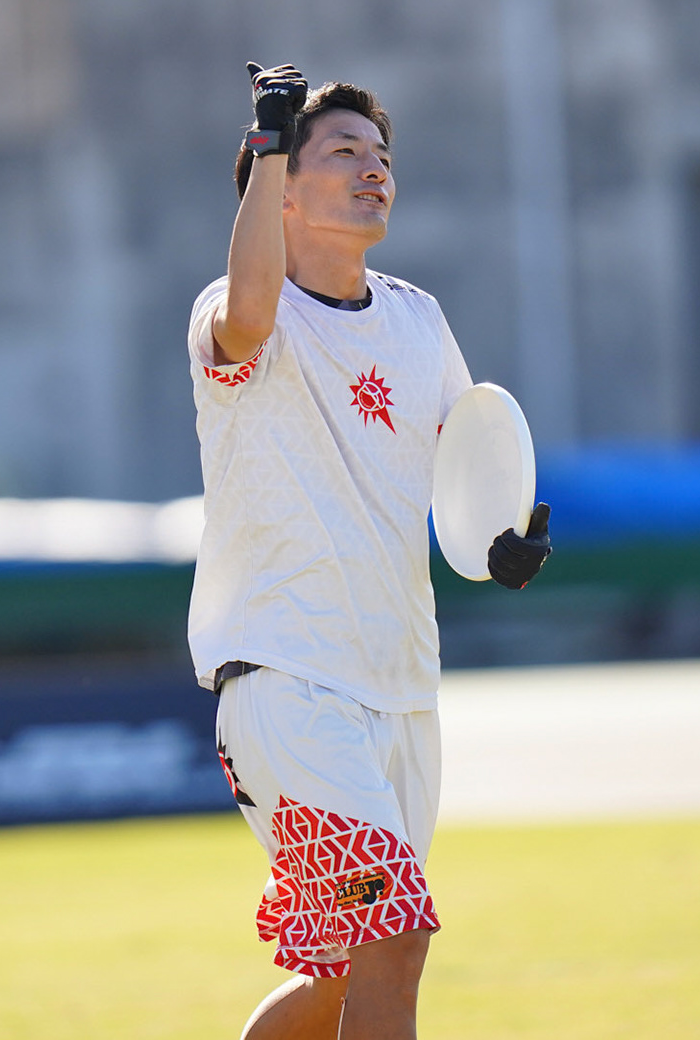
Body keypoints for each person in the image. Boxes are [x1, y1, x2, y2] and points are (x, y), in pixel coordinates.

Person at [188, 63, 554, 1039]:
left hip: (403, 688)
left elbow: (467, 462)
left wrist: (503, 540)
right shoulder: (237, 309)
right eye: (343, 151)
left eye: (382, 154)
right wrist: (268, 139)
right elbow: (249, 317)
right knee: (395, 934)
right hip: (287, 684)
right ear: (281, 185)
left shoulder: (417, 318)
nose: (374, 169)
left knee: (345, 977)